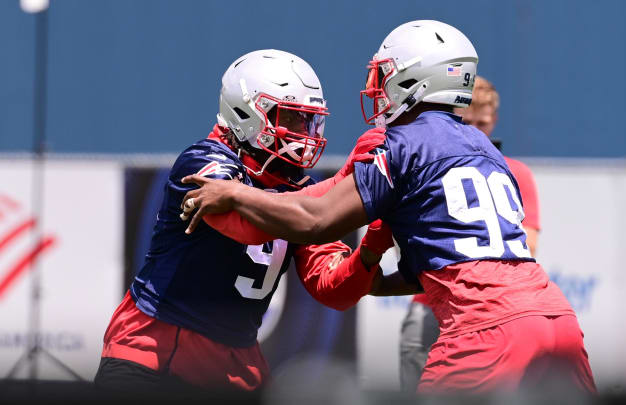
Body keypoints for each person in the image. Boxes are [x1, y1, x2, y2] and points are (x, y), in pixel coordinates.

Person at [180, 21, 596, 394]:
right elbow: (459, 258)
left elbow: (316, 220)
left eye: (386, 74)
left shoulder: (397, 142)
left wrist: (235, 194)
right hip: (555, 319)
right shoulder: (483, 147)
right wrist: (375, 277)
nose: (378, 85)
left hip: (483, 328)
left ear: (415, 79)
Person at [93, 49, 393, 395]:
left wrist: (372, 244)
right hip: (155, 351)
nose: (302, 132)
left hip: (235, 364)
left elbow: (334, 290)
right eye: (291, 119)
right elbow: (247, 224)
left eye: (308, 121)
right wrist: (345, 180)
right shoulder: (203, 162)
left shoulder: (300, 192)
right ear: (247, 113)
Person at [398, 76, 542, 392]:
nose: (476, 130)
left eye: (484, 122)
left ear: (495, 121)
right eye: (468, 121)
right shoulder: (429, 162)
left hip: (487, 309)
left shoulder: (516, 172)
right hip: (430, 304)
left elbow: (527, 245)